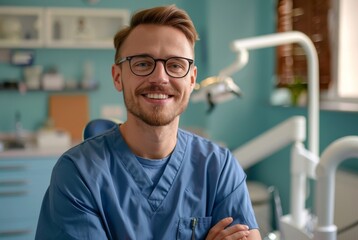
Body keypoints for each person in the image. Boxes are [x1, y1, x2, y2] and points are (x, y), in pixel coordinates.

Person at [36, 5, 262, 240]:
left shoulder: (219, 167)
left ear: (192, 79)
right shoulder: (78, 173)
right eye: (143, 63)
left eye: (175, 65)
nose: (160, 78)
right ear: (117, 77)